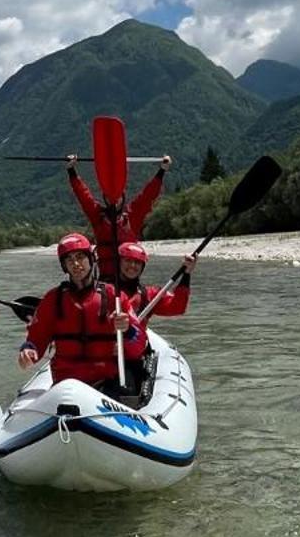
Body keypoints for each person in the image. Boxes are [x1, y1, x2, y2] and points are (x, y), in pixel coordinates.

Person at [16, 232, 131, 395]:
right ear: (64, 266)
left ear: (91, 259)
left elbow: (138, 341)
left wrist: (128, 329)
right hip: (66, 383)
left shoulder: (114, 296)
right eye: (69, 260)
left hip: (106, 381)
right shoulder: (52, 299)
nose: (76, 264)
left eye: (80, 257)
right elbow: (37, 337)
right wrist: (29, 350)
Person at [67, 151, 174, 281]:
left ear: (122, 197)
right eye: (108, 196)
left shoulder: (132, 214)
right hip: (105, 279)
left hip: (129, 279)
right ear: (104, 198)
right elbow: (83, 195)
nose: (113, 199)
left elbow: (148, 195)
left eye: (117, 196)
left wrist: (162, 171)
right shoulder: (97, 216)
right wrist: (72, 171)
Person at [112, 239, 196, 369]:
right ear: (119, 263)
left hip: (133, 356)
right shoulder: (105, 291)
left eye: (137, 263)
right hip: (106, 354)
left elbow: (177, 307)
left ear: (142, 267)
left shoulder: (149, 295)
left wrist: (186, 275)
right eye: (128, 261)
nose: (133, 266)